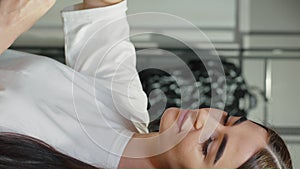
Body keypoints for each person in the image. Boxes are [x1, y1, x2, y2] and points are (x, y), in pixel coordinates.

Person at [0, 0, 293, 168]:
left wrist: (8, 22)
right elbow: (102, 9)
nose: (206, 118)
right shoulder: (123, 103)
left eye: (210, 146)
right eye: (227, 119)